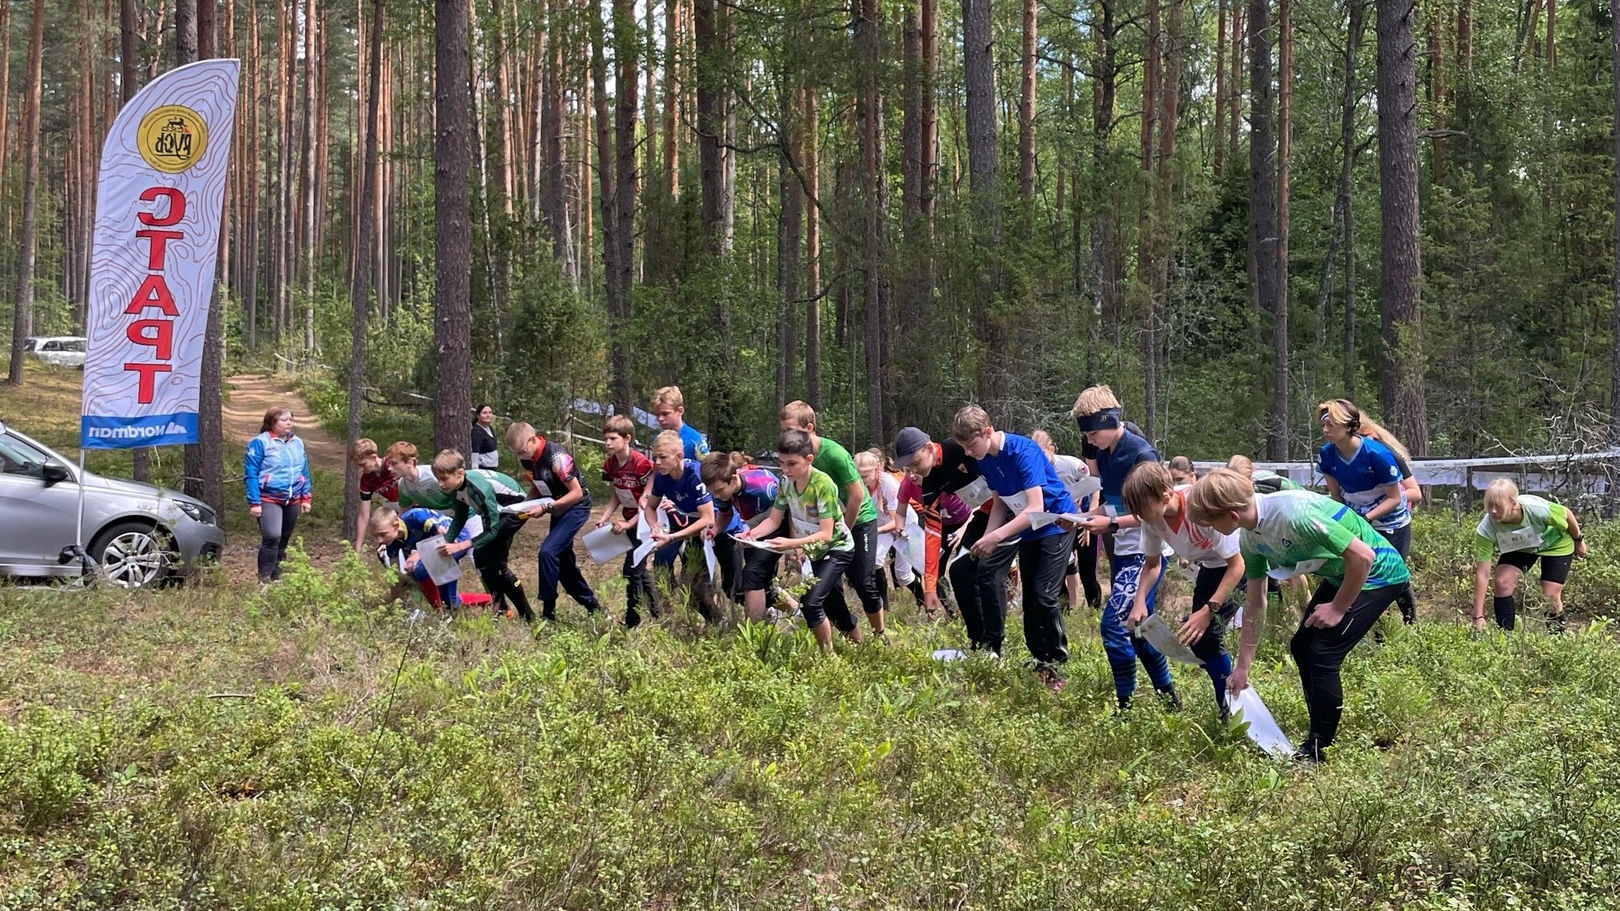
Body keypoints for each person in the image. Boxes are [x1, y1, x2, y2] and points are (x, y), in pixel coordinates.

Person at [1188, 468, 1412, 762]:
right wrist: (1243, 667)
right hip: (1342, 575)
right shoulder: (1250, 539)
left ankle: (1318, 749)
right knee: (1301, 647)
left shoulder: (1295, 514)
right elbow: (1255, 601)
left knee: (1323, 653)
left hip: (1379, 574)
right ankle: (1319, 721)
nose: (1210, 529)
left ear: (1230, 514)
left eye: (1210, 522)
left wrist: (1338, 608)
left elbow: (1363, 556)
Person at [1069, 385, 1181, 711]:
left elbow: (1154, 511)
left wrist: (1111, 524)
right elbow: (1113, 505)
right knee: (1137, 629)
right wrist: (1080, 518)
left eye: (1092, 433)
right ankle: (1169, 698)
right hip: (1123, 548)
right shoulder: (1105, 454)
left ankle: (1125, 708)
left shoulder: (1141, 454)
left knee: (1114, 627)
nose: (1089, 441)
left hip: (1147, 549)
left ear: (1109, 420)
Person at [952, 406, 1078, 689]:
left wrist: (996, 538)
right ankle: (1040, 661)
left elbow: (1036, 507)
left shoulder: (1024, 451)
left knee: (1043, 597)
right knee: (1030, 600)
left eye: (971, 445)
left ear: (987, 432)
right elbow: (1000, 502)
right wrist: (987, 537)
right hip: (1030, 530)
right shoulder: (986, 459)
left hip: (1057, 523)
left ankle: (1057, 664)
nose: (970, 453)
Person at [1122, 462, 1242, 716]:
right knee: (1200, 641)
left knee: (1207, 634)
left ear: (1166, 496)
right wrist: (1139, 600)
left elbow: (1237, 565)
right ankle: (1229, 693)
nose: (1140, 517)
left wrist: (1207, 612)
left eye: (1142, 509)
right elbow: (1152, 565)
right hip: (1211, 566)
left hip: (1242, 562)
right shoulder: (1152, 520)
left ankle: (1229, 707)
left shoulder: (1201, 506)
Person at [737, 429, 861, 649]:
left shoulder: (823, 485)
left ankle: (828, 656)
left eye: (791, 464)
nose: (785, 469)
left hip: (837, 548)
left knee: (811, 604)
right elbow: (774, 520)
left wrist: (791, 544)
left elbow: (826, 534)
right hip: (815, 549)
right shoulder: (785, 483)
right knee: (834, 605)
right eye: (782, 463)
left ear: (809, 459)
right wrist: (750, 533)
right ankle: (861, 646)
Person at [780, 401, 887, 637]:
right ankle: (854, 637)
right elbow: (794, 504)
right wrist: (797, 541)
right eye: (784, 431)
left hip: (857, 521)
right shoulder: (792, 462)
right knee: (826, 590)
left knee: (862, 581)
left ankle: (880, 633)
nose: (786, 436)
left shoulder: (835, 454)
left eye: (791, 430)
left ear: (809, 429)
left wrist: (844, 532)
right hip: (822, 526)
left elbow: (857, 495)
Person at [1317, 399, 1417, 624]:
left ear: (1348, 426)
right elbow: (1336, 496)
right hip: (1357, 519)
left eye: (1331, 425)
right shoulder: (1326, 455)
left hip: (1391, 521)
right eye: (1323, 425)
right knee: (1359, 570)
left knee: (1392, 573)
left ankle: (1409, 619)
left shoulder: (1377, 454)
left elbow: (1395, 498)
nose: (1325, 430)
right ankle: (1368, 625)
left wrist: (1367, 517)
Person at [506, 421, 603, 621]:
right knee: (564, 564)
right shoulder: (529, 459)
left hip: (576, 507)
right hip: (556, 506)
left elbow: (577, 493)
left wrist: (546, 508)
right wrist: (523, 506)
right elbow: (537, 486)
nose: (521, 457)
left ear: (533, 440)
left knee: (548, 553)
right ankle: (593, 607)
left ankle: (548, 613)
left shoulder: (557, 456)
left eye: (522, 451)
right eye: (517, 454)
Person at [1470, 478, 1586, 633]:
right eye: (1489, 505)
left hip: (1555, 543)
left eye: (1498, 505)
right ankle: (1505, 637)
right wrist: (1478, 616)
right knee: (1502, 581)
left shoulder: (1536, 509)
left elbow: (1566, 514)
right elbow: (1483, 574)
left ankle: (1557, 639)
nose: (1493, 511)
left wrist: (1578, 540)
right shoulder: (1486, 529)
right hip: (1522, 546)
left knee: (1550, 594)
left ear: (1513, 502)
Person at [432, 450, 536, 621]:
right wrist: (446, 540)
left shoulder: (478, 488)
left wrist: (460, 545)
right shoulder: (455, 486)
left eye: (444, 479)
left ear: (459, 473)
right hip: (498, 512)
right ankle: (500, 607)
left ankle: (528, 616)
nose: (440, 484)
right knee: (482, 558)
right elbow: (460, 515)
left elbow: (492, 530)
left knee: (496, 563)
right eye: (438, 479)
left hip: (515, 508)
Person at [893, 426, 982, 621]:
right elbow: (932, 533)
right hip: (970, 519)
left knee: (983, 574)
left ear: (928, 448)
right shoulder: (929, 482)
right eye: (909, 467)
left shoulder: (958, 448)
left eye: (916, 463)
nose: (914, 471)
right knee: (960, 572)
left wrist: (964, 529)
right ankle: (969, 627)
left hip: (981, 516)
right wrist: (930, 587)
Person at [641, 430, 721, 620]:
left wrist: (672, 537)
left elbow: (708, 518)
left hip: (711, 527)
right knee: (660, 563)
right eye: (655, 458)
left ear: (679, 456)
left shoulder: (695, 474)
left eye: (662, 457)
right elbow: (650, 507)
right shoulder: (662, 477)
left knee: (697, 584)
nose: (657, 463)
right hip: (686, 523)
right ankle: (668, 616)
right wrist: (654, 526)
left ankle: (717, 621)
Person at [701, 451, 782, 621]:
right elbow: (725, 513)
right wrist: (715, 530)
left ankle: (755, 627)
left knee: (753, 574)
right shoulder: (723, 490)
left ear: (734, 477)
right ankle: (778, 614)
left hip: (778, 528)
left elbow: (787, 513)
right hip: (753, 531)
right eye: (712, 492)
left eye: (718, 491)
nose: (716, 496)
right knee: (761, 581)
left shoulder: (763, 487)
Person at [596, 415, 659, 628]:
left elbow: (650, 502)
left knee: (632, 570)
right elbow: (617, 492)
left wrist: (630, 523)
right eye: (606, 438)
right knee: (638, 570)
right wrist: (605, 517)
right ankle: (657, 614)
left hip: (646, 522)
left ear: (627, 438)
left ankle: (633, 620)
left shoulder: (641, 464)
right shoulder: (611, 464)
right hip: (629, 520)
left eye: (613, 438)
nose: (608, 443)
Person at [1031, 429, 1102, 612]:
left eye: (1041, 453)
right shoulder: (1032, 470)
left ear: (1052, 449)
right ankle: (1065, 609)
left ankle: (1094, 609)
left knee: (1088, 570)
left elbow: (1095, 487)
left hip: (1083, 520)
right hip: (1058, 525)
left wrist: (1089, 521)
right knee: (1061, 569)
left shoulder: (1072, 465)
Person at [245, 406, 311, 584]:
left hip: (292, 498)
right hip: (268, 498)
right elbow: (251, 473)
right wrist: (255, 502)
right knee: (272, 536)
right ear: (272, 423)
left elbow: (303, 471)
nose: (289, 423)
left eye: (290, 419)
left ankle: (277, 576)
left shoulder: (297, 442)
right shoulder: (260, 443)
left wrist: (306, 497)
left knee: (283, 539)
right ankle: (264, 577)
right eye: (283, 419)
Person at [856, 448, 923, 608]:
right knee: (876, 561)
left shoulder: (889, 485)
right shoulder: (860, 485)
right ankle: (884, 607)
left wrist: (873, 531)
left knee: (904, 575)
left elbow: (896, 521)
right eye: (858, 475)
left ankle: (925, 603)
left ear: (877, 469)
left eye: (865, 475)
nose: (861, 479)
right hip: (883, 525)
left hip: (905, 525)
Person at [371, 504, 471, 610]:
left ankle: (438, 609)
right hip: (439, 550)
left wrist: (419, 554)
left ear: (396, 525)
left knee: (419, 568)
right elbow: (396, 577)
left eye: (383, 534)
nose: (379, 540)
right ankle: (488, 600)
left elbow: (445, 538)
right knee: (451, 602)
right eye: (375, 536)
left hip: (457, 539)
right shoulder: (391, 543)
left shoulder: (416, 517)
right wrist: (394, 607)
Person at [350, 438, 400, 553]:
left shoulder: (391, 465)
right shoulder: (366, 480)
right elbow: (364, 514)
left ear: (373, 458)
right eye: (359, 466)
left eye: (363, 464)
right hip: (396, 507)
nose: (361, 469)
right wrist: (358, 546)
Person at [651, 385, 711, 460]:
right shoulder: (658, 439)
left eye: (665, 414)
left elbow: (707, 468)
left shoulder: (695, 440)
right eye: (657, 415)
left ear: (680, 411)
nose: (660, 419)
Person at [470, 404, 501, 469]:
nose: (488, 415)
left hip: (492, 467)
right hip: (483, 468)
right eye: (484, 413)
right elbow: (475, 451)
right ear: (478, 415)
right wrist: (475, 469)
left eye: (490, 412)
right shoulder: (477, 432)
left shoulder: (490, 428)